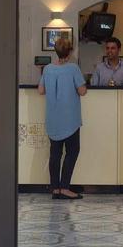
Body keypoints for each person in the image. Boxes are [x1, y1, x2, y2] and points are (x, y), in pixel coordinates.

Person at [38, 37, 87, 200]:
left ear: (55, 51)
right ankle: (65, 188)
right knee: (72, 152)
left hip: (53, 118)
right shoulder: (73, 68)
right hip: (70, 119)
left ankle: (55, 188)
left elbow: (40, 90)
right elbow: (82, 91)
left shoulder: (47, 69)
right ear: (70, 51)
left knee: (55, 153)